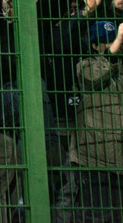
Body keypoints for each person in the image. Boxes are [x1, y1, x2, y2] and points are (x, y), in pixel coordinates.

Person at [68, 20, 123, 221]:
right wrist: (115, 45)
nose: (112, 44)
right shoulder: (84, 65)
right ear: (94, 45)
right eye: (106, 41)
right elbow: (95, 76)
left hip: (118, 157)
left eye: (113, 40)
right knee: (96, 215)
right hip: (94, 158)